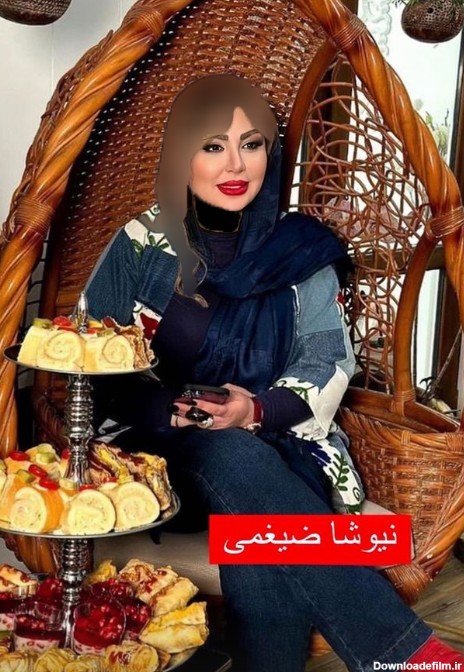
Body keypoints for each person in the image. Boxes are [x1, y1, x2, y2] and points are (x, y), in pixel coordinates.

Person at [85, 75, 464, 672]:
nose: (236, 164)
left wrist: (255, 410)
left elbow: (327, 361)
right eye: (213, 145)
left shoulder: (301, 250)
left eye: (252, 144)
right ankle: (406, 654)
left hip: (279, 445)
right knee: (233, 456)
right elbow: (90, 359)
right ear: (181, 152)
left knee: (255, 532)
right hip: (154, 455)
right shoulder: (140, 245)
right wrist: (172, 411)